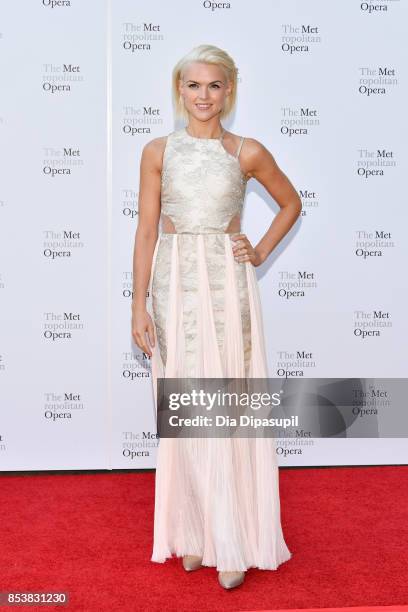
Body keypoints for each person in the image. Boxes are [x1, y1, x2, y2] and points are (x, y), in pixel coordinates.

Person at [131, 44, 302, 590]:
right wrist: (138, 302)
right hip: (173, 281)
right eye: (192, 86)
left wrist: (261, 249)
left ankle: (233, 538)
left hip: (226, 284)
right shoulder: (157, 150)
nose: (202, 96)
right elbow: (146, 231)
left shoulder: (246, 152)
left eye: (213, 86)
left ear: (229, 90)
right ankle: (197, 532)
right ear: (178, 91)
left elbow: (291, 202)